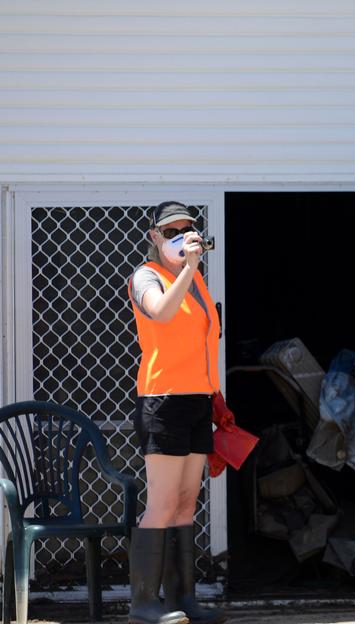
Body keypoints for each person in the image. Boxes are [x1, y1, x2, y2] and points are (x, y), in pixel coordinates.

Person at [127, 201, 223, 624]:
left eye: (187, 229)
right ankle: (144, 605)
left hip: (197, 400)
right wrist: (188, 267)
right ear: (154, 237)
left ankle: (184, 599)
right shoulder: (146, 276)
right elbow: (162, 312)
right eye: (170, 232)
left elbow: (205, 341)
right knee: (162, 503)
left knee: (186, 503)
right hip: (162, 399)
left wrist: (216, 397)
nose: (181, 237)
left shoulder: (196, 279)